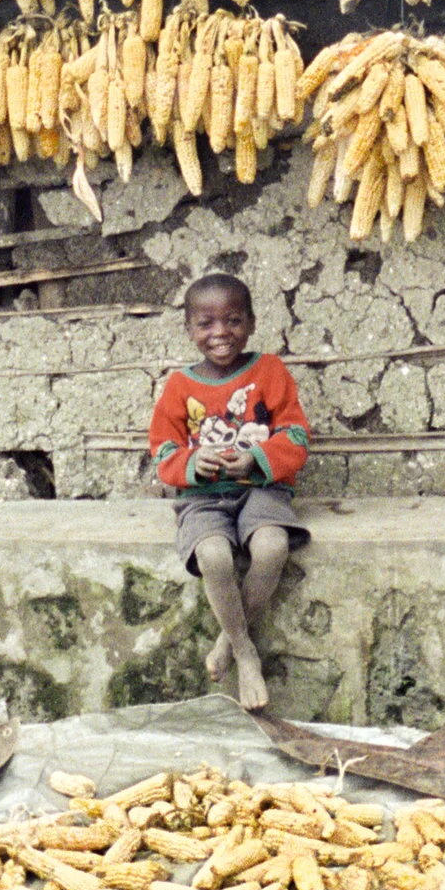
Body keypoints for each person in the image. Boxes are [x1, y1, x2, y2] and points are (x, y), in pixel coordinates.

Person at [148, 271, 311, 711]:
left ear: (252, 323)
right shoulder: (180, 386)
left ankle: (227, 639)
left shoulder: (269, 371)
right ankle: (245, 652)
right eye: (206, 323)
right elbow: (163, 449)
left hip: (262, 489)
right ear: (189, 329)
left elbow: (296, 435)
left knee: (273, 547)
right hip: (202, 497)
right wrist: (192, 464)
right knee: (215, 556)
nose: (221, 332)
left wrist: (258, 459)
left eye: (233, 320)